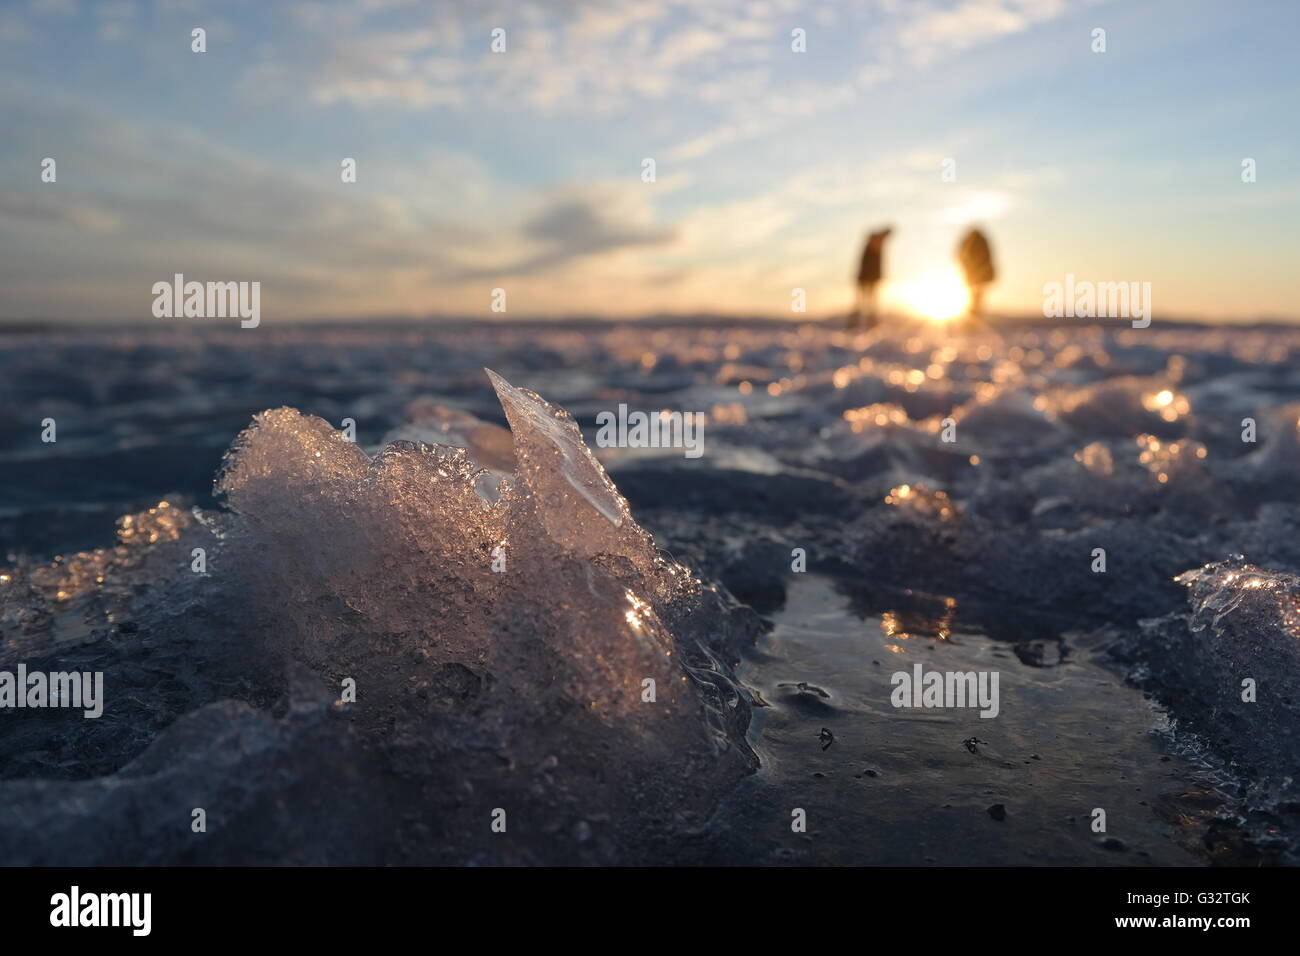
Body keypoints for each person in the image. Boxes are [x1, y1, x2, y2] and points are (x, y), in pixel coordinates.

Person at [851, 227, 892, 330]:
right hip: (867, 278)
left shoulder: (875, 243)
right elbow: (870, 264)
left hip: (869, 278)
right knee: (864, 303)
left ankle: (868, 325)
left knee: (869, 303)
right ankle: (857, 326)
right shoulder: (875, 243)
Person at [957, 227, 995, 320]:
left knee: (976, 296)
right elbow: (988, 259)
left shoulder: (969, 243)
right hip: (977, 275)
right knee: (976, 296)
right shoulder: (981, 242)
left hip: (975, 275)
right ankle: (974, 316)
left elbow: (960, 256)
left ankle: (974, 316)